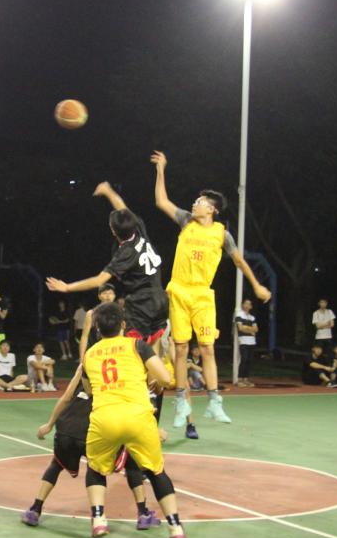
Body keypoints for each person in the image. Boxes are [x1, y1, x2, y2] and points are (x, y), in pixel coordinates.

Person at [150, 151, 272, 432]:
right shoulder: (185, 221)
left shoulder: (222, 234)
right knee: (181, 348)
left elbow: (240, 261)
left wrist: (256, 285)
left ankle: (215, 401)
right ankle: (181, 402)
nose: (195, 203)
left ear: (212, 209)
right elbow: (161, 201)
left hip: (203, 295)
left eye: (200, 202)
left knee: (207, 348)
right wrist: (161, 170)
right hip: (179, 291)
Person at [80, 302, 187, 538]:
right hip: (138, 417)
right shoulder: (137, 345)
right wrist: (151, 379)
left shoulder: (89, 354)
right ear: (123, 324)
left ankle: (98, 521)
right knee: (156, 471)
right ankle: (175, 528)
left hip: (104, 418)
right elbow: (166, 378)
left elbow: (88, 389)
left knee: (95, 469)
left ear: (97, 328)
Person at [22, 363, 162, 532]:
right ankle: (138, 514)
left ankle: (35, 509)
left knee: (56, 464)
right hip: (93, 427)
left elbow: (66, 398)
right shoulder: (122, 372)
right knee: (121, 465)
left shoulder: (86, 365)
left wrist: (50, 424)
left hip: (67, 427)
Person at [46, 180, 169, 345]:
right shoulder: (138, 228)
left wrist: (67, 287)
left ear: (113, 231)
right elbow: (122, 207)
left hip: (142, 305)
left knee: (130, 349)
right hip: (160, 300)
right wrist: (108, 191)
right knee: (150, 350)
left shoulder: (125, 253)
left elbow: (99, 280)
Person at [234, 298, 258, 388]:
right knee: (244, 359)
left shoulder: (252, 317)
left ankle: (246, 379)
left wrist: (246, 328)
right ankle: (240, 379)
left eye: (249, 304)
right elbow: (240, 328)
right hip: (243, 341)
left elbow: (256, 329)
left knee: (249, 360)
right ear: (243, 305)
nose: (248, 305)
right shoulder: (239, 315)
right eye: (246, 303)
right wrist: (250, 329)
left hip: (252, 341)